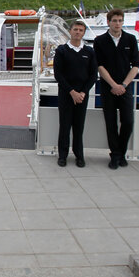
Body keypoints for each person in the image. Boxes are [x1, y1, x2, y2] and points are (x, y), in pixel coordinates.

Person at [93, 8, 139, 170]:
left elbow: (135, 66)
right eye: (114, 21)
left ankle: (121, 152)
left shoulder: (131, 40)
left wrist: (124, 85)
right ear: (108, 22)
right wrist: (113, 85)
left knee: (128, 121)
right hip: (108, 89)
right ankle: (115, 155)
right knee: (111, 123)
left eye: (120, 20)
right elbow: (99, 66)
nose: (117, 23)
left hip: (126, 88)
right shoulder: (100, 41)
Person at [53, 20, 97, 168]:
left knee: (79, 127)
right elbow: (58, 74)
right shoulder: (62, 51)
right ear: (70, 31)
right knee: (64, 126)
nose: (78, 32)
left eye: (81, 30)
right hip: (66, 95)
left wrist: (83, 92)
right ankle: (63, 156)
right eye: (75, 29)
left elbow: (93, 75)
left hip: (82, 96)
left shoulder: (89, 52)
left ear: (84, 33)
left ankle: (79, 156)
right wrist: (72, 92)